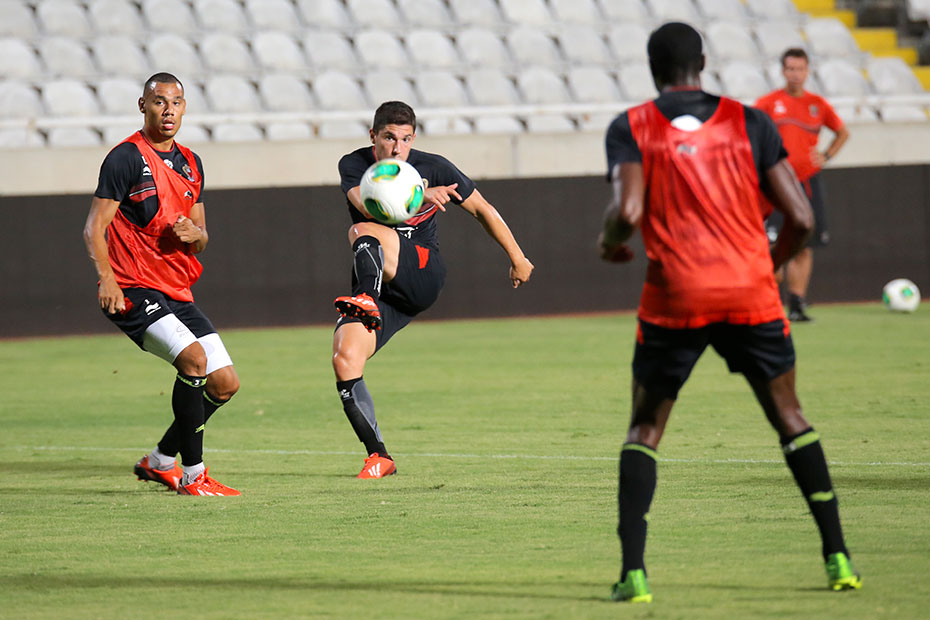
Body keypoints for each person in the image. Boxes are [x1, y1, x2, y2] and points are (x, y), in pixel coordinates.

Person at [598, 23, 861, 602]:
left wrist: (608, 242)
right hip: (750, 293)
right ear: (703, 62)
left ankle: (634, 574)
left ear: (652, 67)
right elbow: (802, 219)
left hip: (676, 295)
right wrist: (765, 268)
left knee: (645, 428)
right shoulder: (752, 121)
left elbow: (627, 212)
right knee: (790, 417)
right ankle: (838, 556)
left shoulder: (631, 125)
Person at [332, 101, 534, 479]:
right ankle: (380, 457)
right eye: (389, 137)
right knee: (345, 357)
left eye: (406, 139)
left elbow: (483, 209)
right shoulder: (355, 164)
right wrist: (418, 194)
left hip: (422, 269)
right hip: (384, 284)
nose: (397, 148)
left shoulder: (435, 167)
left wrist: (518, 257)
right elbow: (368, 204)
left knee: (361, 232)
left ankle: (366, 299)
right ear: (373, 135)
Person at [83, 72, 241, 496]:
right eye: (159, 101)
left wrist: (195, 235)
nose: (168, 110)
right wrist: (107, 280)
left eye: (176, 102)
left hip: (175, 289)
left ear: (184, 108)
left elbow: (201, 236)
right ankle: (193, 475)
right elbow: (94, 227)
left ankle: (159, 461)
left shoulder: (191, 162)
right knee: (193, 360)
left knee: (224, 384)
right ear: (143, 106)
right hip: (132, 287)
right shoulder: (125, 158)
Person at [755, 48, 849, 322]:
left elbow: (842, 132)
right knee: (771, 244)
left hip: (807, 182)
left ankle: (796, 305)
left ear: (807, 71)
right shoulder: (768, 103)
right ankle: (770, 305)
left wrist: (827, 155)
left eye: (800, 69)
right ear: (783, 71)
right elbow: (746, 130)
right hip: (775, 184)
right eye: (790, 69)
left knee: (804, 245)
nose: (795, 74)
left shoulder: (817, 104)